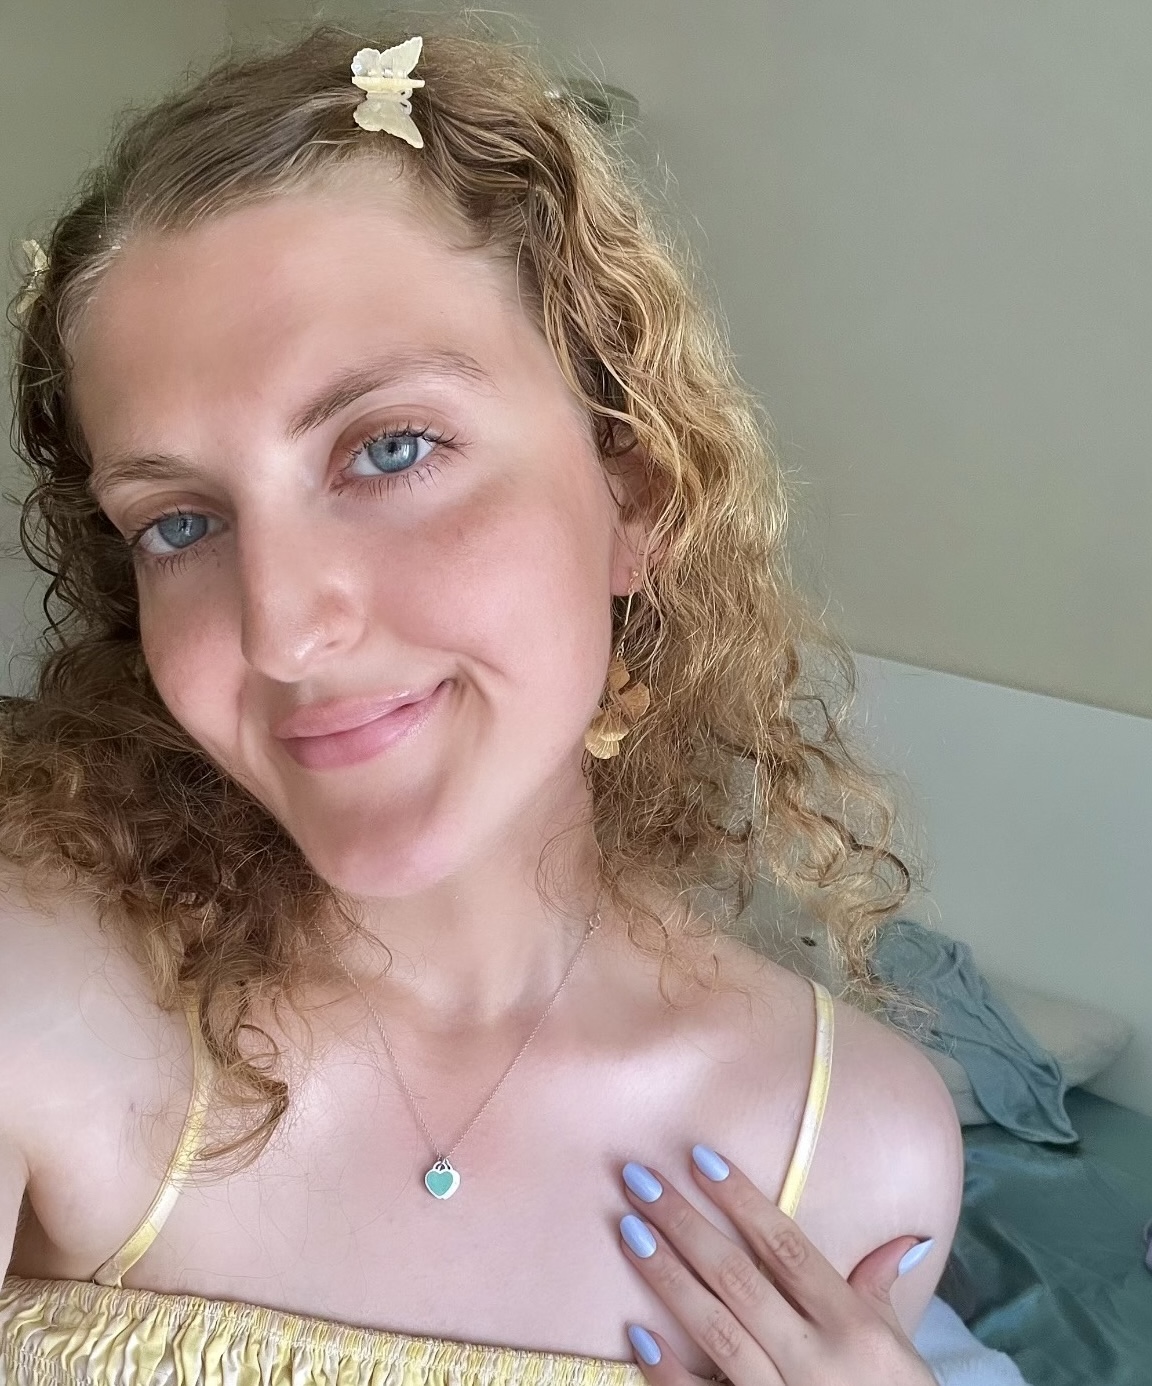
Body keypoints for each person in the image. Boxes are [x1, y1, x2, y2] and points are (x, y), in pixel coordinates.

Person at [0, 20, 962, 1385]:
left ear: (638, 491)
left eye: (391, 448)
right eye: (181, 523)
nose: (283, 628)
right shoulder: (40, 985)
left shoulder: (851, 1155)